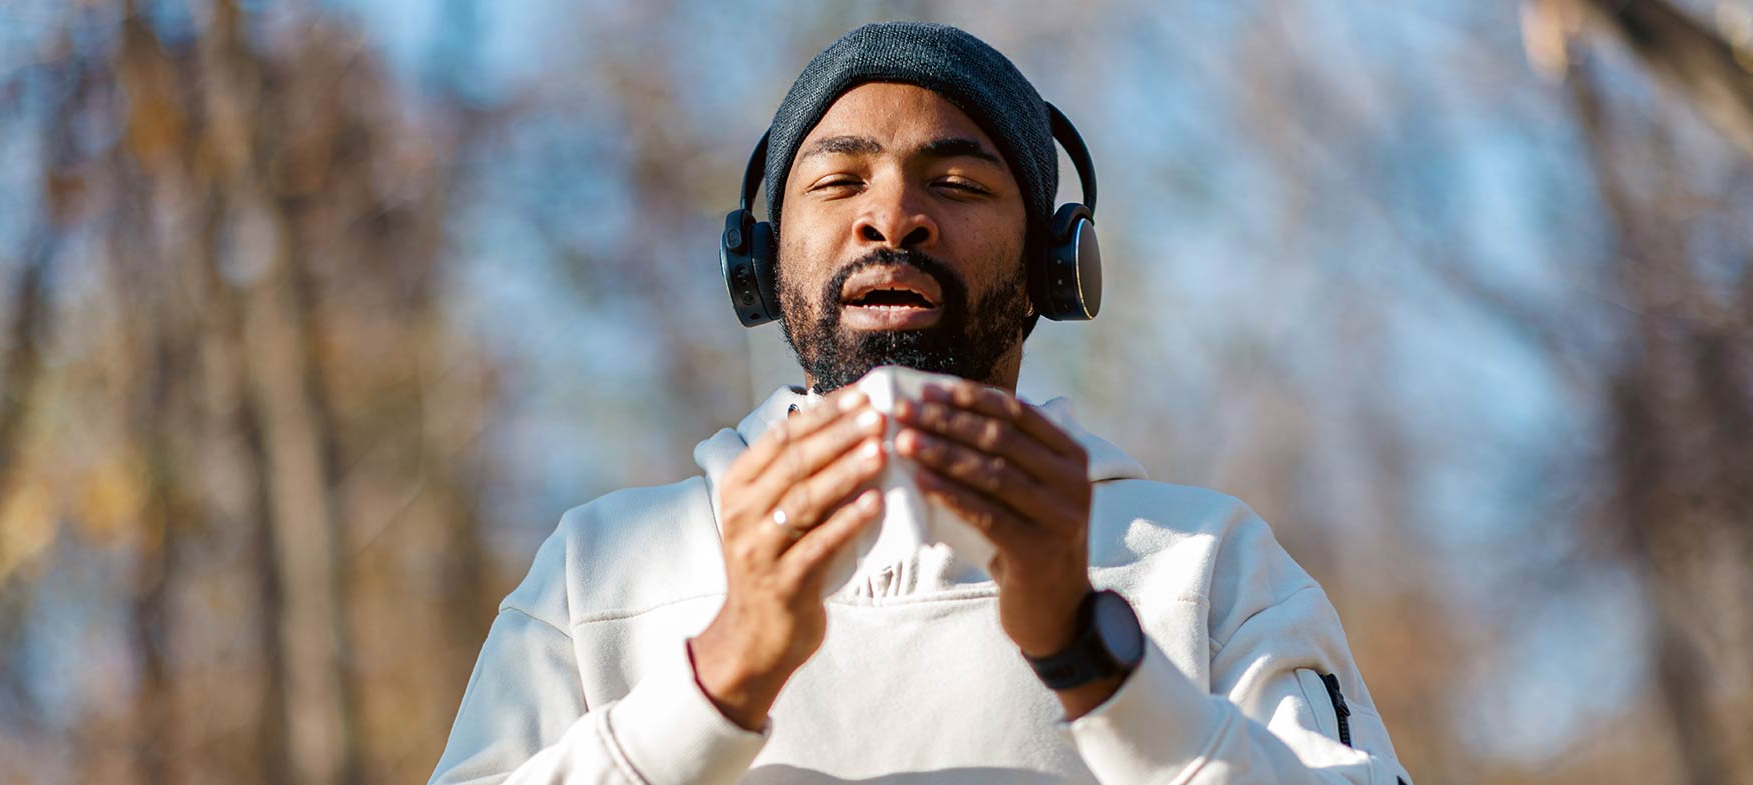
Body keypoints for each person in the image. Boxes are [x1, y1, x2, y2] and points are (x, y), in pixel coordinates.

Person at [430, 21, 1414, 785]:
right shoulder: (598, 571)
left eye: (955, 182)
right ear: (762, 265)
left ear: (1051, 267)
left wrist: (1093, 654)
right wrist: (718, 675)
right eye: (839, 178)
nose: (893, 214)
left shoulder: (1208, 562)